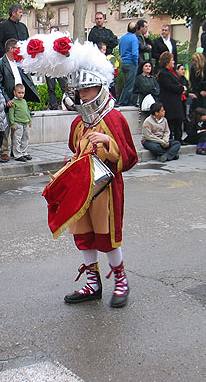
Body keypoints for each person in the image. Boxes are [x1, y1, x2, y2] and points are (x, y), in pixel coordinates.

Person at [17, 34, 137, 308]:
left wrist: (108, 143)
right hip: (84, 187)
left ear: (99, 88)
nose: (81, 96)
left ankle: (121, 279)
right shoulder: (78, 123)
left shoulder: (115, 119)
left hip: (106, 189)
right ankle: (93, 283)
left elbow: (129, 158)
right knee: (83, 233)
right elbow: (76, 149)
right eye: (79, 92)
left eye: (86, 91)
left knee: (107, 236)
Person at [0, 38, 40, 160]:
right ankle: (4, 151)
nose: (19, 50)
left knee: (20, 130)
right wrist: (6, 99)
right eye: (17, 48)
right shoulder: (1, 63)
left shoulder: (19, 62)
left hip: (20, 98)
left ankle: (19, 151)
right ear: (11, 49)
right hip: (9, 100)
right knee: (7, 127)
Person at [156, 52, 186, 143]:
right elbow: (169, 86)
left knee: (179, 120)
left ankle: (179, 138)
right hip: (169, 101)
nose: (174, 62)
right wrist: (181, 89)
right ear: (167, 62)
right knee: (171, 121)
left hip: (177, 100)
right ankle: (170, 139)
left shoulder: (173, 72)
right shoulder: (163, 73)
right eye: (172, 60)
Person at [9, 83, 33, 162]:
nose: (21, 95)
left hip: (25, 122)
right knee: (17, 139)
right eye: (19, 93)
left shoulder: (24, 101)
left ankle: (24, 152)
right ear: (14, 92)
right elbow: (11, 114)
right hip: (18, 123)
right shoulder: (13, 102)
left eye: (22, 93)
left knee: (25, 138)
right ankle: (17, 154)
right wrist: (13, 123)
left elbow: (27, 111)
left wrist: (29, 120)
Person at [118, 22, 139, 106]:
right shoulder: (134, 38)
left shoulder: (122, 38)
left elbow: (120, 51)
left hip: (124, 62)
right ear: (136, 30)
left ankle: (125, 101)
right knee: (130, 85)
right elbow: (134, 53)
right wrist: (136, 63)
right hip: (131, 63)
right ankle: (124, 102)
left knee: (127, 83)